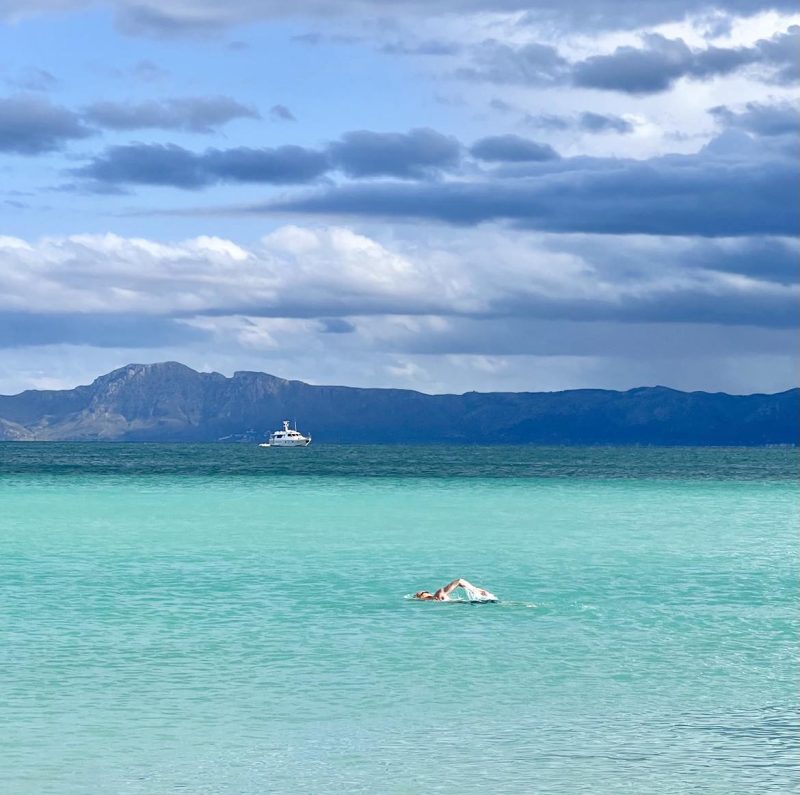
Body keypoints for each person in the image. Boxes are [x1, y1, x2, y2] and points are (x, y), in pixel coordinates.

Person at [413, 578, 497, 602]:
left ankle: (477, 592)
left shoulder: (438, 594)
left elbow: (459, 581)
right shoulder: (435, 598)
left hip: (471, 604)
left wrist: (474, 590)